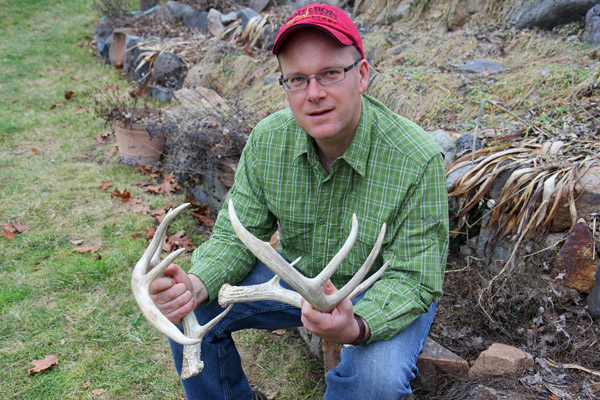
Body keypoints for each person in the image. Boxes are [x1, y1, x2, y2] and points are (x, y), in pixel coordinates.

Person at [149, 3, 449, 399]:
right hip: (296, 281)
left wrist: (356, 326)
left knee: (375, 381)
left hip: (382, 291)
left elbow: (414, 278)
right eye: (297, 79)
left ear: (361, 75)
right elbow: (235, 238)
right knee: (194, 310)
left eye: (330, 73)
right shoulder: (269, 140)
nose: (314, 94)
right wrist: (195, 284)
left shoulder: (415, 157)